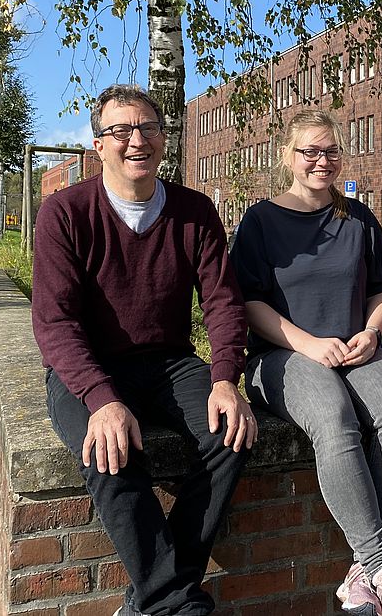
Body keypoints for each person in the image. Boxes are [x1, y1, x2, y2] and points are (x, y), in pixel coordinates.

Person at [32, 83, 257, 616]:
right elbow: (55, 323)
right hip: (87, 365)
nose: (137, 140)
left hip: (168, 362)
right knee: (111, 452)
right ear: (99, 145)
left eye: (148, 128)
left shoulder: (194, 212)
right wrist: (101, 399)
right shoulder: (64, 213)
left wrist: (226, 377)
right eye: (121, 131)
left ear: (163, 138)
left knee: (233, 433)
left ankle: (150, 598)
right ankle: (178, 603)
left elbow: (224, 304)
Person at [230, 109, 382, 616]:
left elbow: (381, 293)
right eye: (310, 152)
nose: (322, 161)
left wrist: (371, 332)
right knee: (333, 418)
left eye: (331, 152)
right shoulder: (260, 221)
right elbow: (249, 305)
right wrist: (307, 344)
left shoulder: (357, 217)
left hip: (356, 350)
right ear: (288, 157)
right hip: (283, 357)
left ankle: (363, 573)